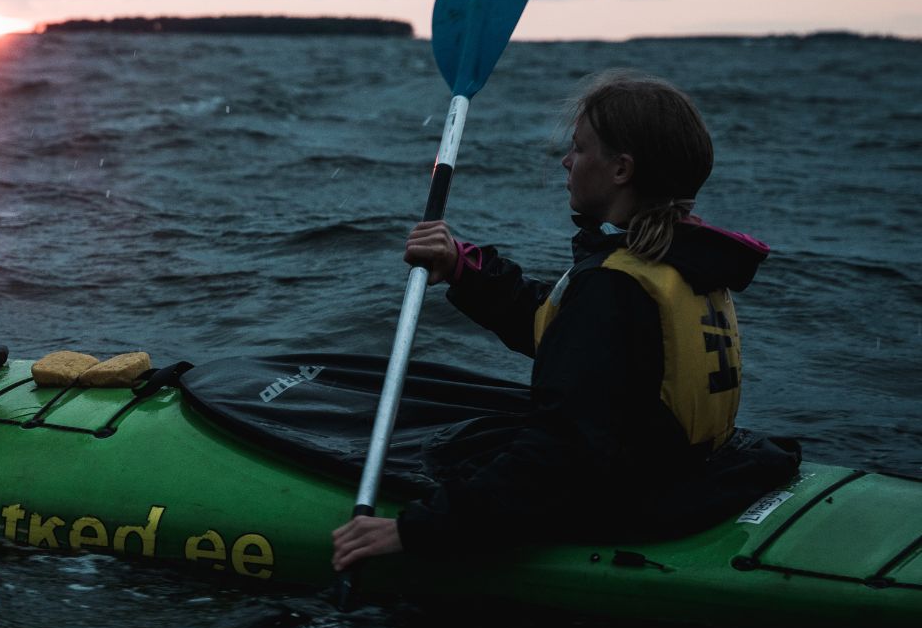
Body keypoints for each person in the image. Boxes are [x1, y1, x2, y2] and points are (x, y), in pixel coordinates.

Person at [332, 70, 797, 571]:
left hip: (637, 501)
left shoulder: (616, 285)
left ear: (621, 169)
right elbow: (564, 333)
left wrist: (413, 531)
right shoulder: (685, 260)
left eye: (579, 148)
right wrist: (465, 271)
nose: (566, 160)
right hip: (697, 474)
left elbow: (558, 456)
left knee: (457, 451)